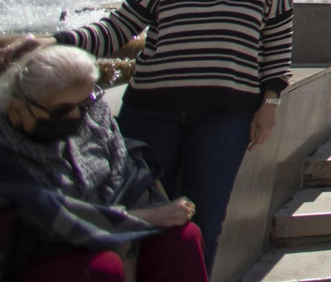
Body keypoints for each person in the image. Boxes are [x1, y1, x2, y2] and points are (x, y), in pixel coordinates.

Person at [53, 0, 294, 274]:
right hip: (151, 112)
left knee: (204, 219)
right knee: (136, 211)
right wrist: (53, 43)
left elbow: (277, 45)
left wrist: (270, 102)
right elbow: (118, 29)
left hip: (225, 116)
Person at [0, 40, 207, 281]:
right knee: (103, 267)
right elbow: (49, 217)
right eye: (63, 110)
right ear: (16, 111)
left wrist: (126, 244)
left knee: (181, 239)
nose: (79, 116)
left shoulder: (94, 117)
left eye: (85, 101)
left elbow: (125, 176)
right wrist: (139, 221)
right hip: (39, 251)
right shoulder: (7, 149)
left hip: (113, 225)